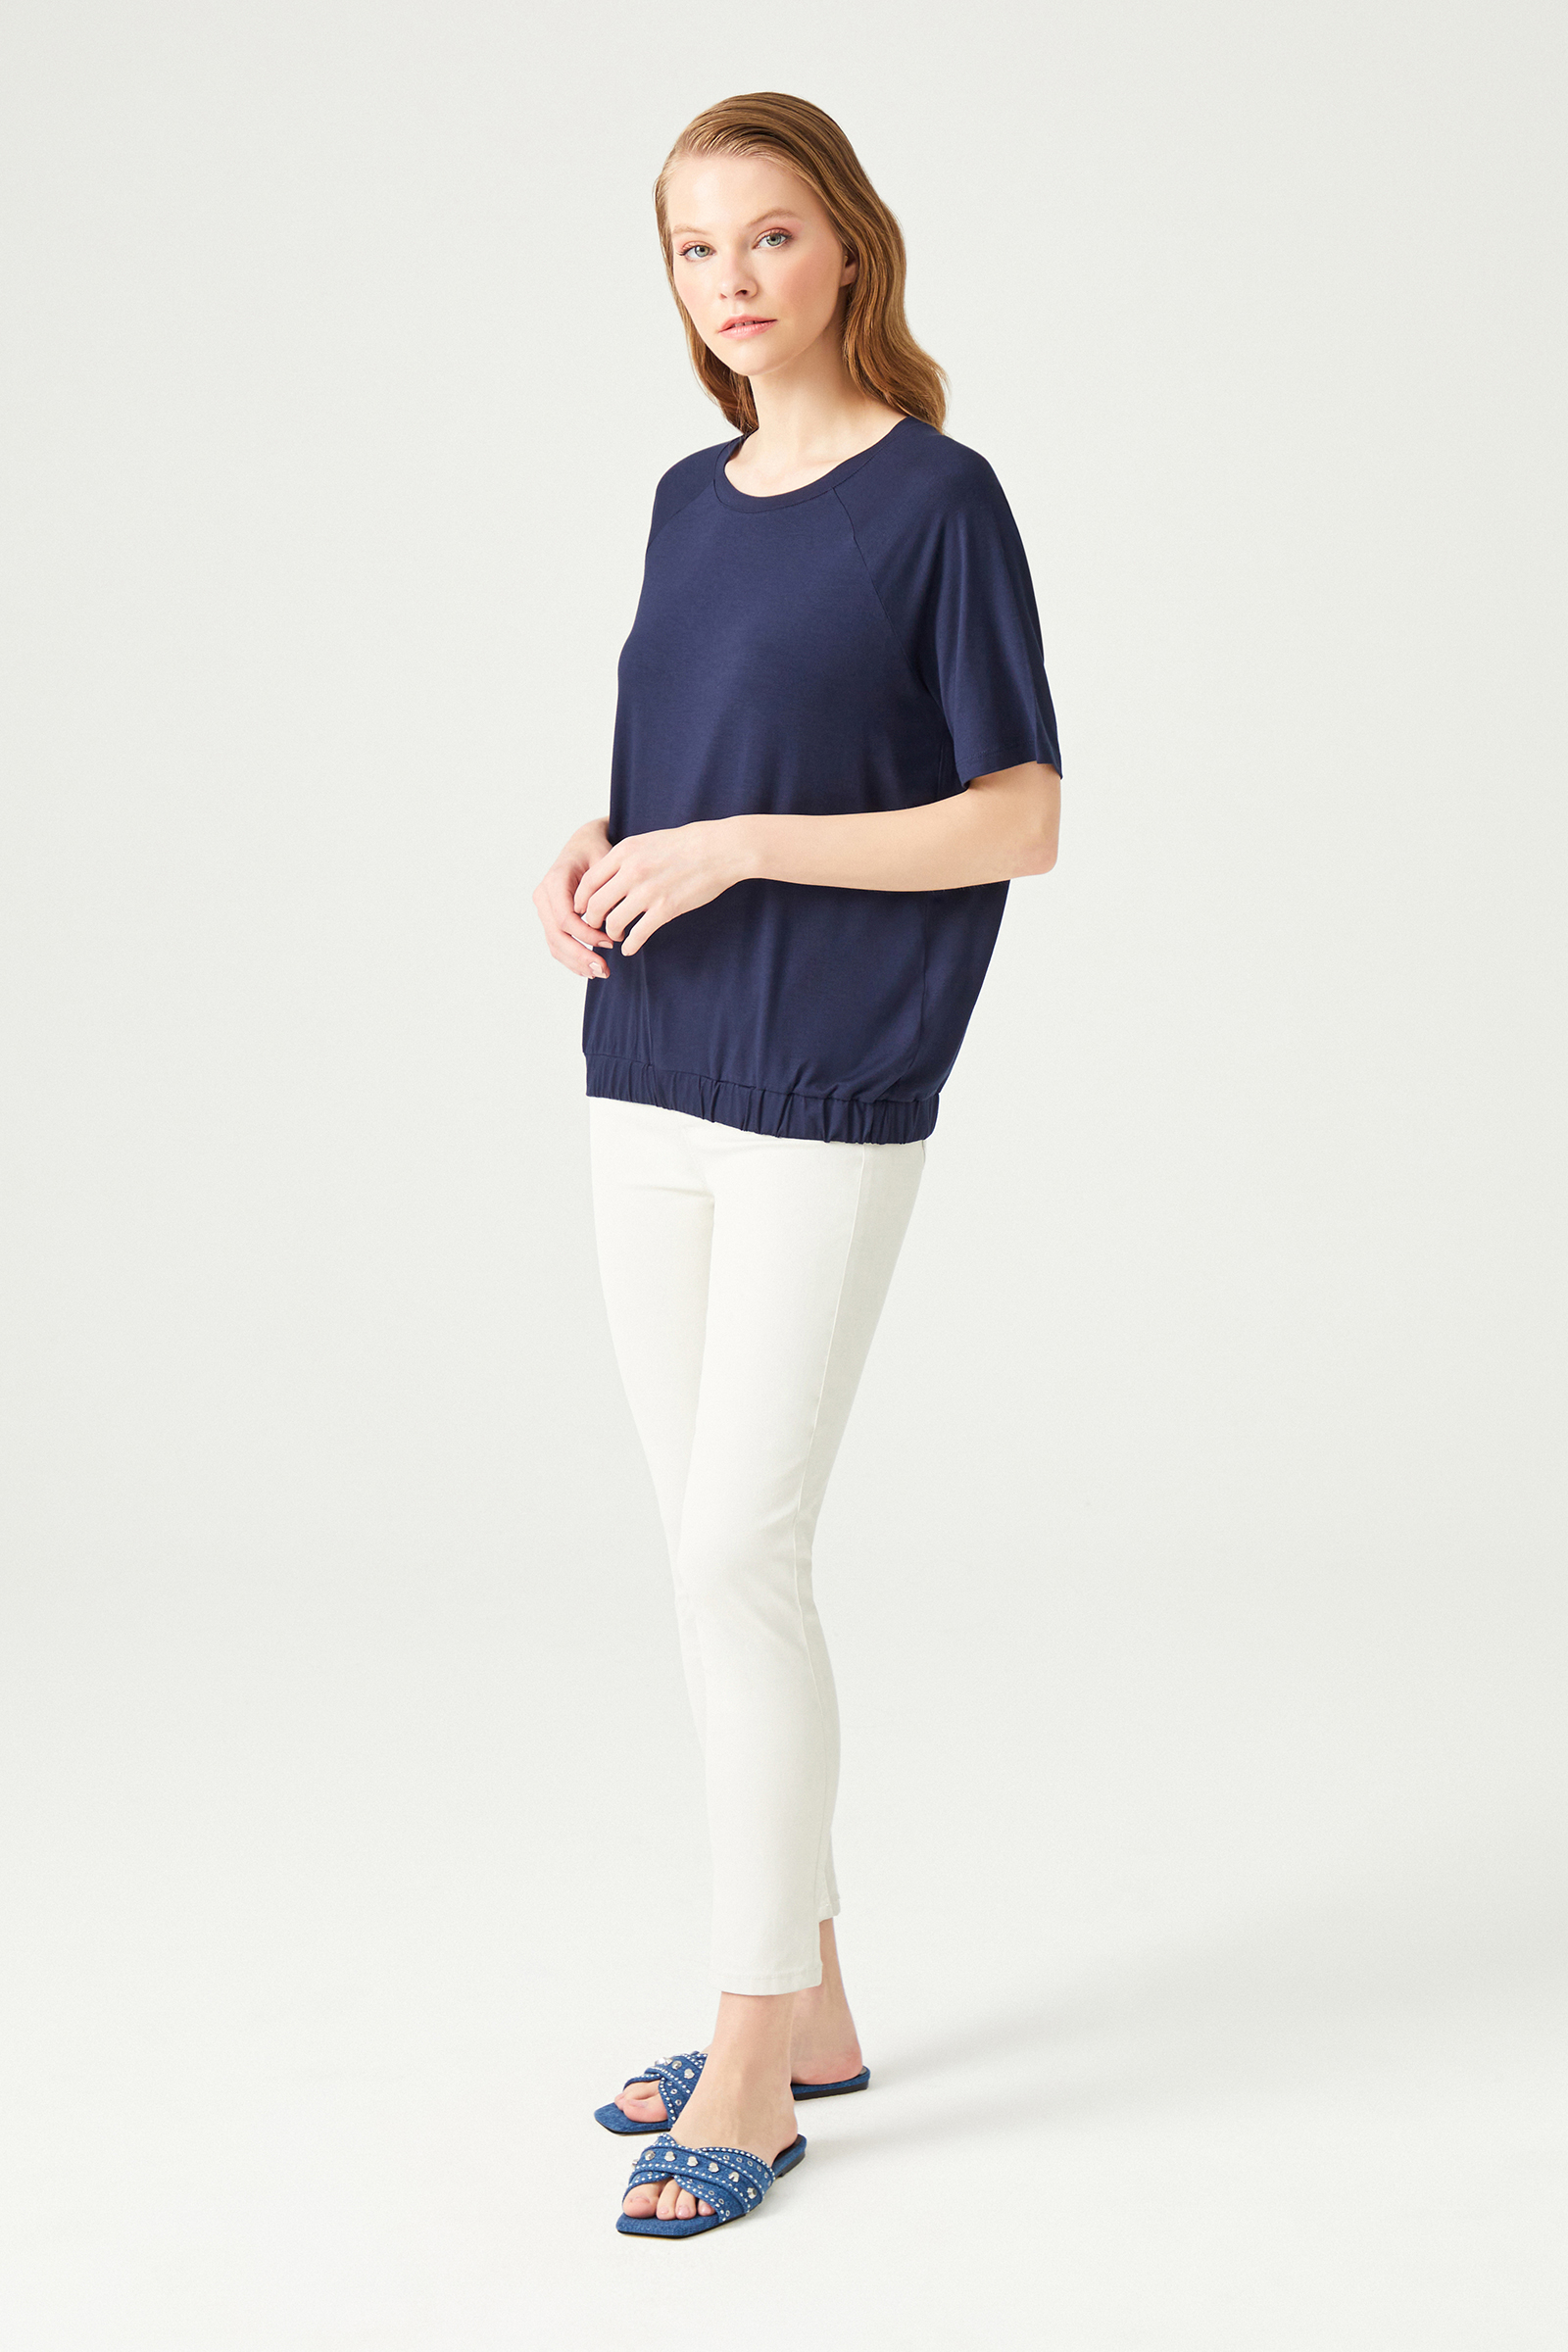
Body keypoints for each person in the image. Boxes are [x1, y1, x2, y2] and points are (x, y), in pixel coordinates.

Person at [532, 90, 1061, 2237]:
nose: (730, 280)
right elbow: (679, 761)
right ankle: (815, 2000)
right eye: (691, 248)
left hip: (823, 1076)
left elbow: (1018, 815)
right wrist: (590, 847)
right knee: (705, 1554)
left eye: (765, 235)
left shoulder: (938, 500)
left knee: (739, 1554)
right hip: (648, 1064)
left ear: (846, 244)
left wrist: (742, 844)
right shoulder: (687, 499)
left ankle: (751, 2043)